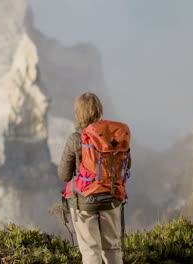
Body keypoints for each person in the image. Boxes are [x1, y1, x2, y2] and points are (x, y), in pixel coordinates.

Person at [58, 92, 123, 264]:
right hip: (111, 197)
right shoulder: (113, 138)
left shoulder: (75, 139)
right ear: (100, 111)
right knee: (112, 248)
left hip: (84, 201)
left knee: (90, 250)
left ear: (78, 114)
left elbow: (64, 175)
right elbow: (125, 166)